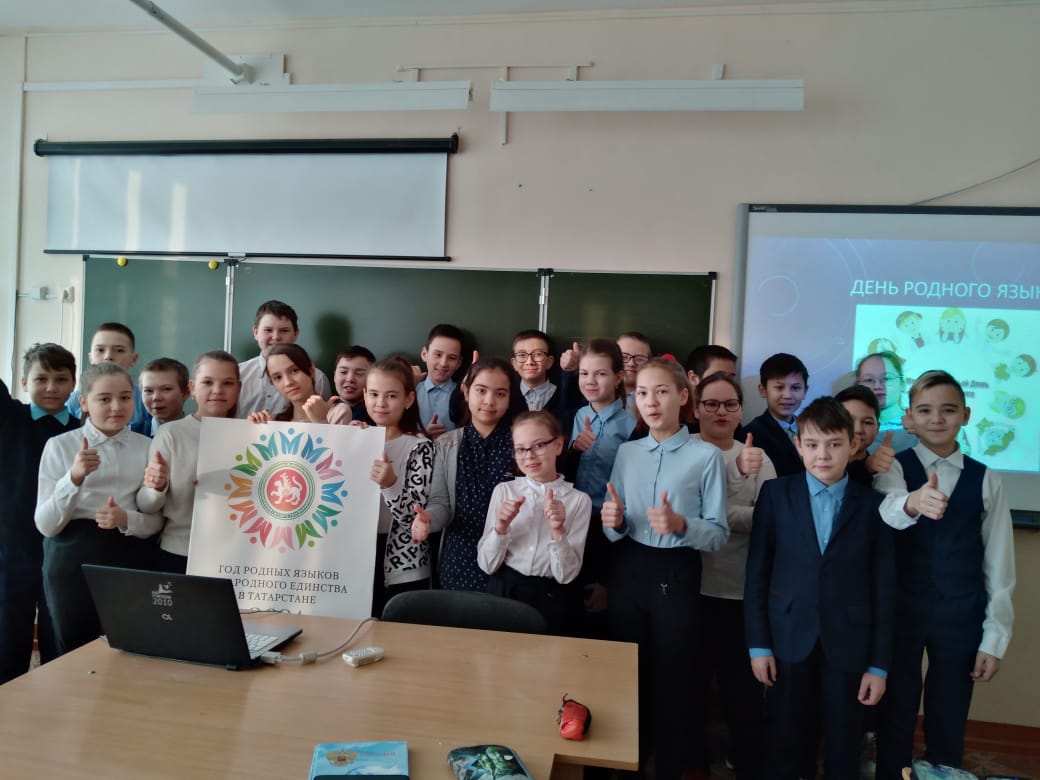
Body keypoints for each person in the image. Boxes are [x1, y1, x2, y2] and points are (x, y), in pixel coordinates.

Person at [873, 370, 1015, 777]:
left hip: (961, 612)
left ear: (966, 415)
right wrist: (914, 503)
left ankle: (944, 771)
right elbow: (888, 509)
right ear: (909, 418)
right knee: (896, 704)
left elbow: (1000, 563)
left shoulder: (986, 478)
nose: (936, 419)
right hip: (902, 609)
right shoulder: (895, 470)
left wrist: (995, 639)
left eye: (948, 410)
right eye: (924, 410)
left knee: (949, 707)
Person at [744, 396, 895, 780]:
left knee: (844, 745)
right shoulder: (776, 495)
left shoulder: (874, 506)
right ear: (798, 445)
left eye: (834, 444)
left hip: (849, 645)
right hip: (788, 639)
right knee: (786, 741)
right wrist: (759, 645)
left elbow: (884, 589)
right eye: (812, 444)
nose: (822, 455)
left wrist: (878, 665)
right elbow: (757, 575)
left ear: (853, 445)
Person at [601, 357, 728, 780]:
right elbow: (616, 525)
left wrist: (681, 524)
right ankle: (627, 766)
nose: (651, 402)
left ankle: (673, 766)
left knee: (675, 677)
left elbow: (718, 534)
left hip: (678, 570)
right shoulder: (627, 452)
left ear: (683, 396)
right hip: (631, 568)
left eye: (661, 392)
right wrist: (613, 522)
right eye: (642, 393)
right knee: (628, 673)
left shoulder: (705, 456)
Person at [35, 363, 161, 656]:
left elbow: (157, 520)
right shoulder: (60, 446)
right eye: (104, 398)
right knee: (75, 651)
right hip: (72, 557)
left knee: (132, 649)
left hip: (131, 554)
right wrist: (74, 477)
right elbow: (46, 524)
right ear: (83, 402)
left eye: (125, 397)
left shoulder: (148, 447)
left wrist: (126, 518)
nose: (117, 407)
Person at [688, 372, 775, 780]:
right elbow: (682, 515)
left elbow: (771, 521)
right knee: (690, 685)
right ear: (695, 408)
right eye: (711, 404)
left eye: (730, 404)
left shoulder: (758, 456)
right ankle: (693, 762)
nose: (721, 412)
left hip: (740, 592)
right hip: (689, 589)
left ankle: (747, 761)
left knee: (742, 690)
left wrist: (715, 517)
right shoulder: (683, 451)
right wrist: (736, 514)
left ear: (741, 410)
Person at [0, 344, 80, 684]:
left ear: (74, 383)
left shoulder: (82, 430)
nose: (51, 387)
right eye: (41, 379)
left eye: (61, 379)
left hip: (62, 549)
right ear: (23, 382)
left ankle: (54, 704)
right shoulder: (9, 417)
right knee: (6, 637)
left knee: (58, 638)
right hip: (11, 547)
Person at [477, 410, 591, 634]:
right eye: (520, 449)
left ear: (558, 445)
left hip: (549, 598)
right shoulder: (504, 491)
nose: (529, 455)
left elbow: (566, 575)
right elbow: (487, 564)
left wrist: (558, 531)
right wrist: (500, 528)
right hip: (504, 592)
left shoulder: (578, 501)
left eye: (538, 445)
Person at [412, 356, 517, 592]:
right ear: (467, 392)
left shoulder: (521, 445)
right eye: (481, 390)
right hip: (458, 559)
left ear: (509, 398)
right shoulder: (446, 444)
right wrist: (428, 519)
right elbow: (441, 504)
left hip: (509, 559)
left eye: (500, 393)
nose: (489, 400)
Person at [136, 351, 242, 574]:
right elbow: (147, 505)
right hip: (180, 553)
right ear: (192, 388)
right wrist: (155, 487)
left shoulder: (250, 433)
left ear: (238, 388)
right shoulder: (170, 434)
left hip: (236, 554)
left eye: (227, 383)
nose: (217, 390)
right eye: (207, 382)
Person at [562, 339, 634, 635]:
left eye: (601, 374)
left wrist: (607, 580)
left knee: (598, 613)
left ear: (618, 377)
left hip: (607, 529)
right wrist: (574, 450)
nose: (590, 381)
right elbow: (557, 471)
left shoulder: (633, 426)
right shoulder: (572, 418)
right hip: (569, 523)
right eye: (584, 373)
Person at [359, 357, 435, 617]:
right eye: (373, 394)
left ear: (408, 399)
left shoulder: (420, 447)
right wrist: (347, 439)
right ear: (364, 395)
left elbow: (414, 519)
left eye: (391, 395)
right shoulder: (356, 438)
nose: (381, 403)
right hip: (359, 557)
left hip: (403, 567)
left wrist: (391, 483)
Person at [236, 300, 332, 418]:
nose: (276, 337)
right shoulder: (237, 374)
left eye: (284, 331)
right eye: (268, 330)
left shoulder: (317, 378)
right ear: (255, 332)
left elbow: (324, 422)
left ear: (296, 334)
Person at [66, 322, 150, 434]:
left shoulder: (144, 398)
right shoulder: (74, 400)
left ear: (134, 359)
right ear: (90, 358)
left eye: (119, 350)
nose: (108, 356)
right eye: (100, 350)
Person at [743, 352, 808, 476]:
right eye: (779, 388)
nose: (787, 395)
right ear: (763, 390)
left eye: (795, 388)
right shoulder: (752, 434)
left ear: (805, 391)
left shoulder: (812, 428)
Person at [855, 351, 916, 453]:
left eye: (887, 378)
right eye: (869, 380)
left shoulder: (918, 426)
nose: (877, 386)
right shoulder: (849, 428)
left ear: (902, 384)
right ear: (857, 386)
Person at [835, 384, 895, 486]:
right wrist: (865, 468)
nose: (858, 429)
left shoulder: (885, 471)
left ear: (877, 428)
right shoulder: (815, 465)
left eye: (867, 422)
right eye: (849, 420)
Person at [414, 323, 465, 439]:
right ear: (424, 354)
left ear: (459, 363)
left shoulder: (464, 395)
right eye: (438, 354)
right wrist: (423, 436)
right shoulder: (411, 391)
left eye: (452, 358)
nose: (443, 363)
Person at [248, 344, 320, 423]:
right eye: (278, 377)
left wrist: (322, 421)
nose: (288, 382)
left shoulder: (330, 415)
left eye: (294, 371)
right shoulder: (274, 422)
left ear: (311, 371)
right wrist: (258, 427)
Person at [510, 329, 563, 415]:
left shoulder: (564, 396)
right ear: (514, 363)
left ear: (549, 362)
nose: (529, 362)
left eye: (538, 354)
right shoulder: (506, 396)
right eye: (522, 355)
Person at [138, 357, 189, 436]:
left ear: (185, 393)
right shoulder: (129, 434)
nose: (156, 398)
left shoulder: (201, 435)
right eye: (148, 390)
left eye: (166, 389)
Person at [330, 345, 375, 425]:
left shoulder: (378, 415)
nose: (350, 379)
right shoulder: (323, 410)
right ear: (334, 376)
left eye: (359, 373)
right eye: (343, 372)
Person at [616, 331, 653, 416]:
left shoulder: (653, 401)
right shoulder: (597, 393)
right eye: (624, 357)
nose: (631, 364)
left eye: (639, 359)